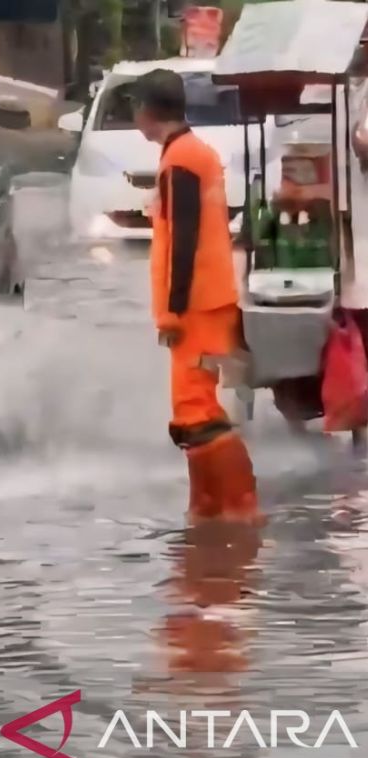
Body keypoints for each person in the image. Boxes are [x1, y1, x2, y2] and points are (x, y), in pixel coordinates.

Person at [132, 69, 260, 525]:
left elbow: (183, 241)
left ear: (147, 112)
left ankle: (238, 504)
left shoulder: (182, 160)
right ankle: (208, 505)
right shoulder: (191, 154)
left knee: (196, 407)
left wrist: (173, 310)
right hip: (208, 303)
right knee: (193, 406)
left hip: (196, 308)